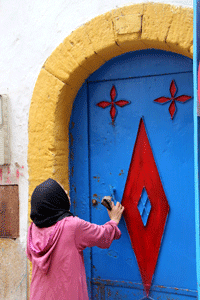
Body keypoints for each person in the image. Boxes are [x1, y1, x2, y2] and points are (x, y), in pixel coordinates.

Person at [26, 178, 124, 300]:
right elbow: (102, 236)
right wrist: (114, 220)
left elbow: (31, 256)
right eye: (63, 193)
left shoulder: (32, 229)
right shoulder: (72, 226)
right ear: (57, 200)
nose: (67, 195)